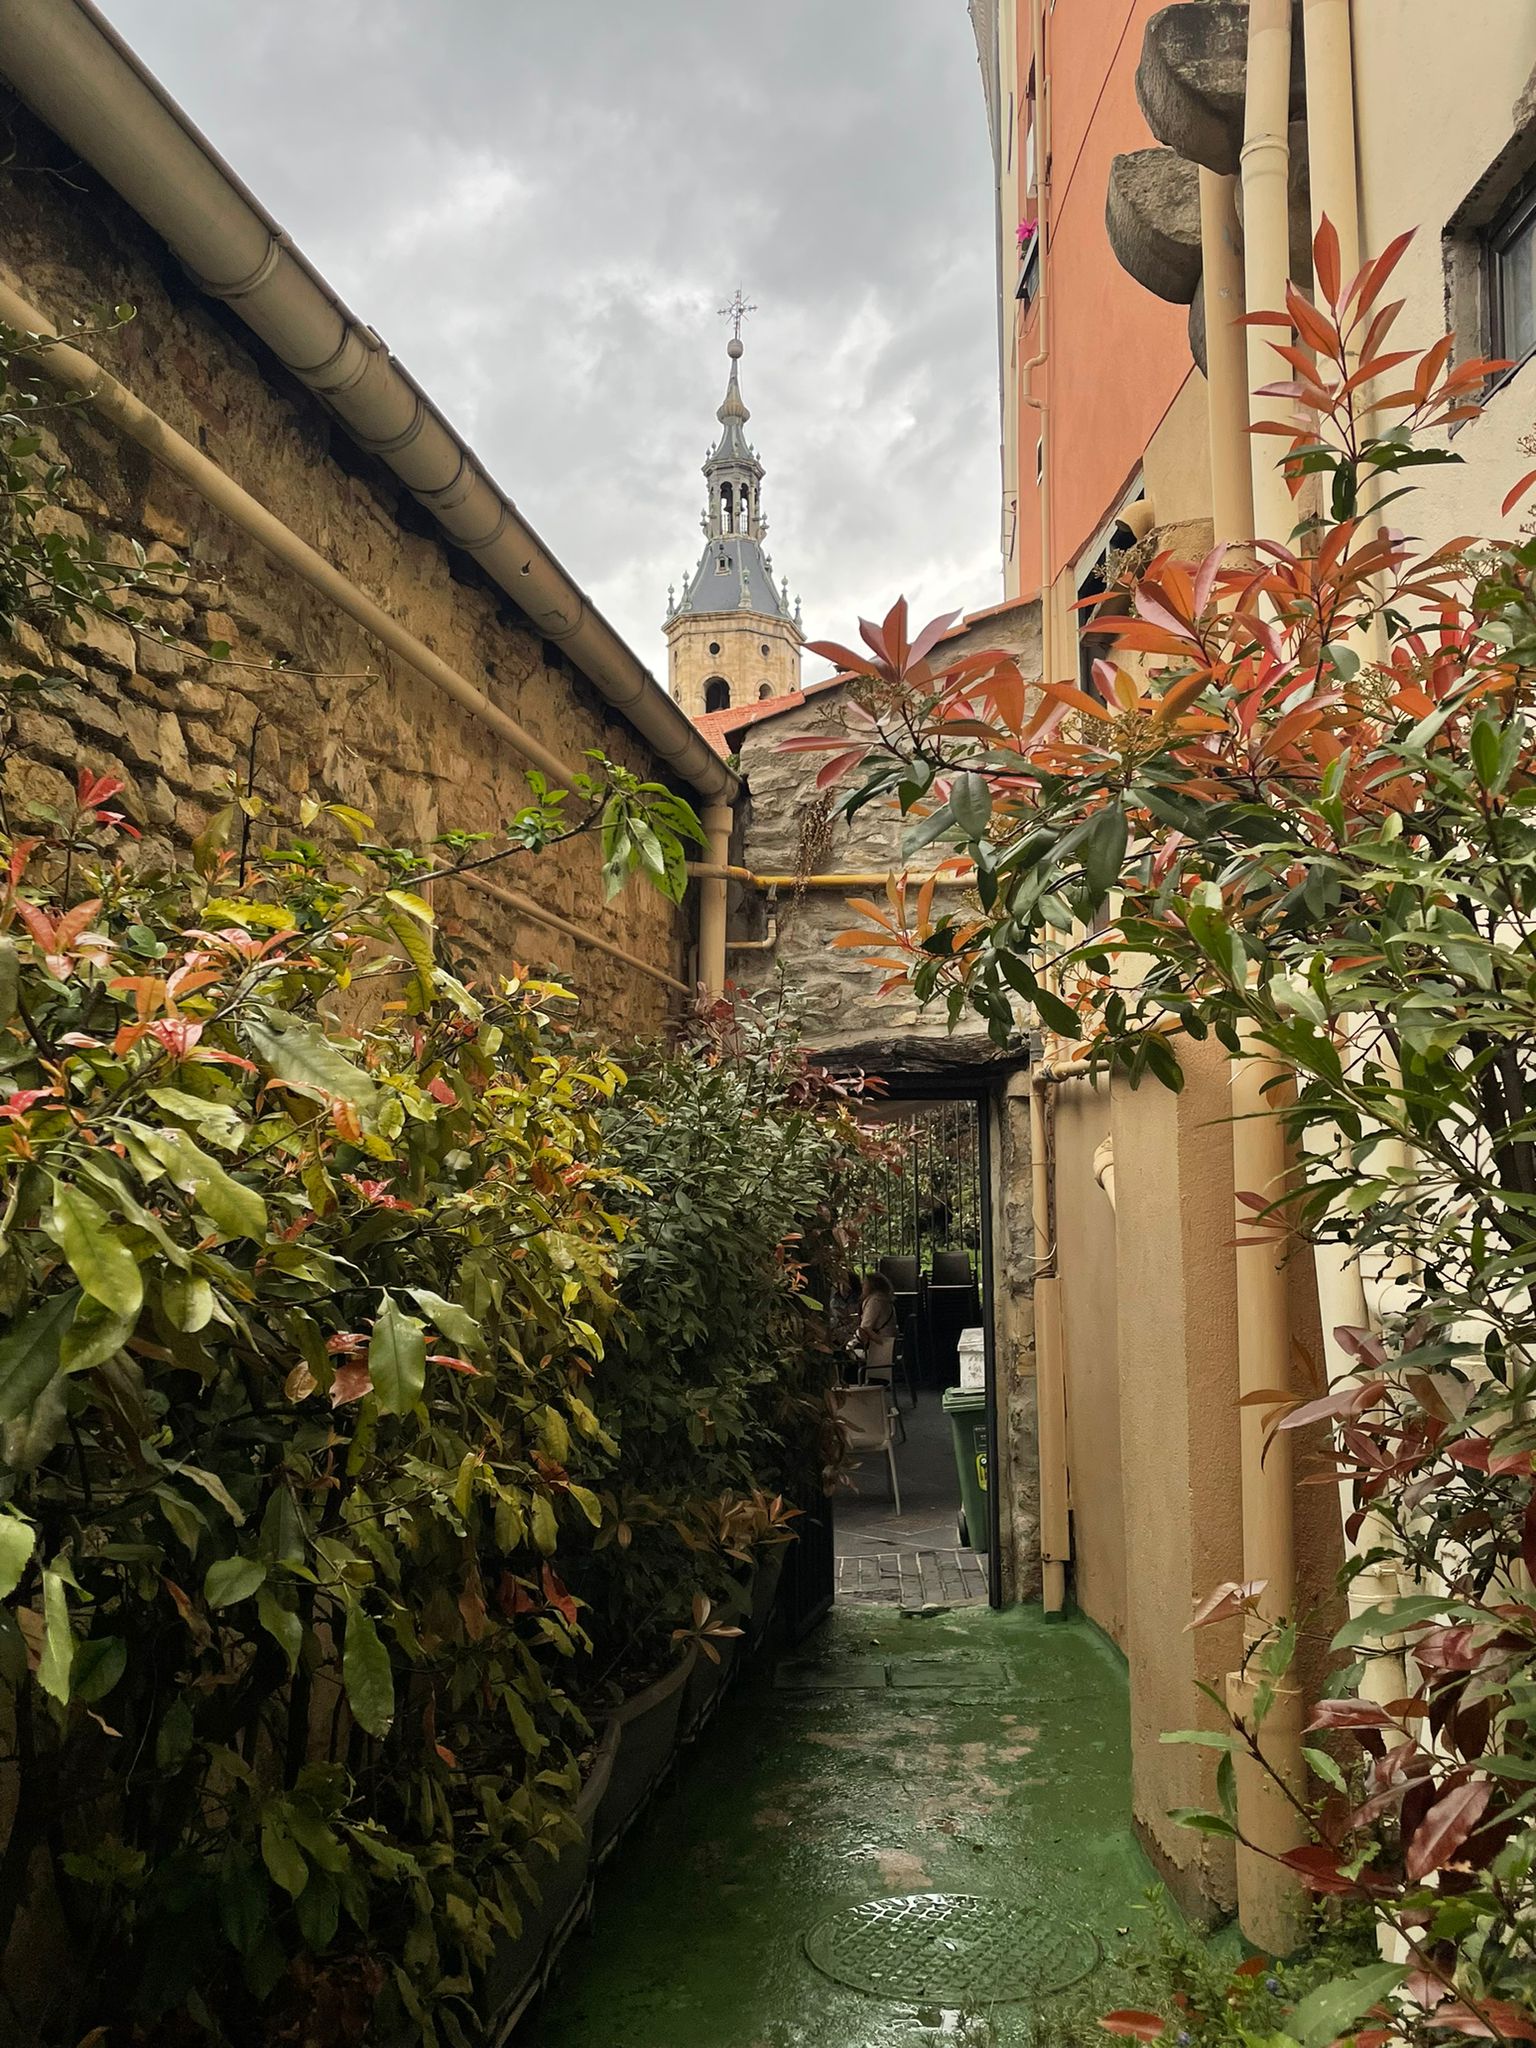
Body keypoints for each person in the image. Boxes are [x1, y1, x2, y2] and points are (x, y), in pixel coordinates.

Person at [849, 1270, 898, 1382]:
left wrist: (877, 1341)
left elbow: (865, 1327)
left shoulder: (875, 1301)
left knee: (846, 1351)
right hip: (890, 1341)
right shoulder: (885, 1299)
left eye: (864, 1283)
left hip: (881, 1344)